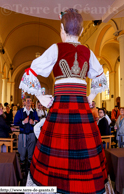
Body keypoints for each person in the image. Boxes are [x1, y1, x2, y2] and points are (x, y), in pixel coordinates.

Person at [19, 8, 113, 194]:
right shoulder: (87, 52)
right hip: (82, 110)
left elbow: (30, 71)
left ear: (62, 29)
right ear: (82, 30)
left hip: (60, 109)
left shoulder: (56, 48)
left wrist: (41, 96)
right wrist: (90, 98)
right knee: (83, 153)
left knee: (56, 152)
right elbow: (101, 77)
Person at [14, 96, 39, 171]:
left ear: (32, 102)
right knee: (22, 150)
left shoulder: (34, 112)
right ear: (24, 102)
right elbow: (15, 123)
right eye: (27, 100)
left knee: (31, 150)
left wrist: (33, 122)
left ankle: (30, 165)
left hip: (31, 134)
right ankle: (22, 165)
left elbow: (38, 121)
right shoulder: (20, 111)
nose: (28, 102)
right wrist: (22, 122)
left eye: (30, 100)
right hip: (23, 134)